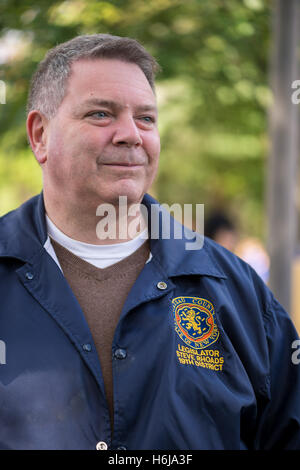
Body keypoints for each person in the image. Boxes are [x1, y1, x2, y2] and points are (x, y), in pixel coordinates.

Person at [0, 34, 299, 451]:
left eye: (146, 119)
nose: (131, 135)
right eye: (101, 114)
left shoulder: (236, 291)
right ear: (40, 135)